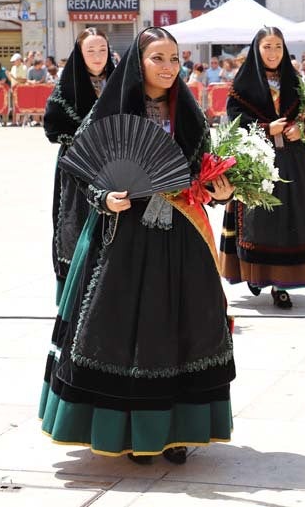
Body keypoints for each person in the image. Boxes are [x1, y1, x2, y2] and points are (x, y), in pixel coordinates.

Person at [39, 27, 236, 465]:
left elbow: (203, 175)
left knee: (183, 331)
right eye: (158, 59)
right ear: (138, 62)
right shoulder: (111, 109)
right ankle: (128, 432)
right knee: (123, 333)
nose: (168, 68)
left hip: (180, 237)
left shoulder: (190, 113)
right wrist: (104, 198)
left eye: (174, 59)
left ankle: (178, 431)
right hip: (121, 238)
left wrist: (221, 193)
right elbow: (81, 171)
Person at [220, 26, 305, 309]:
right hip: (259, 162)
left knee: (291, 221)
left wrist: (302, 126)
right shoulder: (243, 84)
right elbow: (233, 121)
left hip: (295, 163)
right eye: (267, 47)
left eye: (278, 47)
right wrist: (265, 128)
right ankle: (258, 276)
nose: (273, 53)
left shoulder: (296, 81)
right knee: (261, 222)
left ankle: (281, 285)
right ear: (257, 50)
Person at [42, 27, 116, 305]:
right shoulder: (68, 86)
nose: (97, 57)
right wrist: (84, 140)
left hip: (115, 167)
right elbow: (52, 128)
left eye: (102, 50)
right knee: (75, 224)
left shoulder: (120, 82)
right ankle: (73, 299)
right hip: (77, 169)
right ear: (80, 54)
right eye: (90, 51)